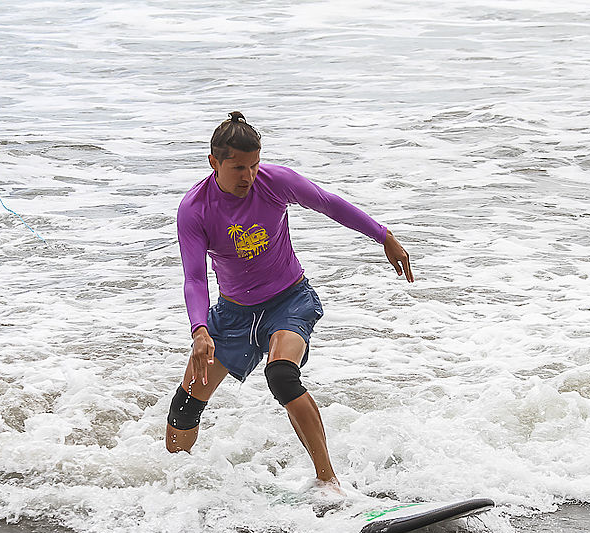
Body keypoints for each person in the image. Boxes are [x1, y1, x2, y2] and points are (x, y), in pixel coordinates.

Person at [165, 111, 414, 489]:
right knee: (184, 410)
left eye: (254, 165)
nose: (248, 176)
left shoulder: (274, 182)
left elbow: (330, 204)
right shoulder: (195, 209)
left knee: (281, 374)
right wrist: (200, 330)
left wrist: (383, 235)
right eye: (237, 168)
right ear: (214, 162)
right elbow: (195, 277)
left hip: (288, 301)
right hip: (233, 316)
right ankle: (177, 489)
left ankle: (329, 483)